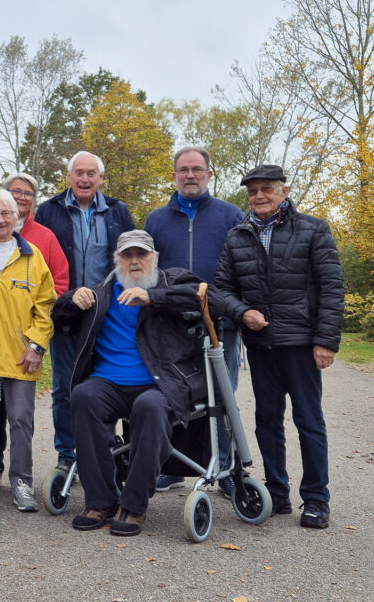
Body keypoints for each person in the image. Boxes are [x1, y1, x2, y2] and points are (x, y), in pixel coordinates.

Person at [57, 230, 222, 537]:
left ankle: (133, 506)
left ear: (154, 259)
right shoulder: (101, 292)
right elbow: (61, 321)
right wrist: (70, 299)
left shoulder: (174, 281)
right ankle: (101, 502)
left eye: (141, 254)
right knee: (83, 396)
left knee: (149, 406)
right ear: (116, 260)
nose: (134, 261)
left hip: (161, 385)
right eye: (127, 255)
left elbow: (216, 302)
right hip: (108, 383)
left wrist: (154, 297)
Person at [215, 165, 343, 529]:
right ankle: (277, 492)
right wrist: (243, 314)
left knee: (309, 420)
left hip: (302, 344)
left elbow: (332, 288)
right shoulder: (238, 235)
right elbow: (222, 288)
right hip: (260, 345)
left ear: (283, 191)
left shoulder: (313, 229)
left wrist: (325, 341)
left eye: (267, 189)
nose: (259, 196)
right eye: (253, 191)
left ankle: (316, 499)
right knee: (267, 420)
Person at [144, 146, 244, 495]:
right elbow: (146, 273)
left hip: (219, 326)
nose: (190, 175)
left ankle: (226, 468)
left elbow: (242, 269)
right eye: (184, 169)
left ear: (209, 174)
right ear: (174, 175)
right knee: (173, 393)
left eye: (197, 169)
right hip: (170, 327)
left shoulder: (231, 216)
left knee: (223, 396)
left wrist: (237, 312)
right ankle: (173, 467)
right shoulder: (156, 220)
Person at [0, 172, 69, 489]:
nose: (0, 219)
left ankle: (22, 482)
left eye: (6, 213)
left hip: (22, 354)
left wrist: (36, 345)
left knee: (21, 420)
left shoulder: (34, 254)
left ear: (18, 215)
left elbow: (46, 303)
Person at [34, 151, 135, 474]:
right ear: (69, 176)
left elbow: (131, 262)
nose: (85, 179)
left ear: (101, 179)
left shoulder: (118, 212)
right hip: (64, 315)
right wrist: (63, 298)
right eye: (79, 173)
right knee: (65, 387)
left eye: (92, 173)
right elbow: (39, 262)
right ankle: (67, 455)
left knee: (112, 383)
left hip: (107, 318)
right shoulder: (48, 211)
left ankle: (114, 450)